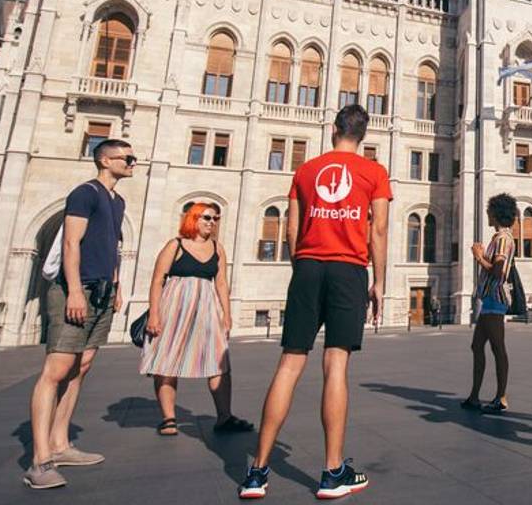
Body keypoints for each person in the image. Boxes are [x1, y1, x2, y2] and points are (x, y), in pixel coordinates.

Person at [239, 104, 389, 500]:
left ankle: (257, 472)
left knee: (289, 363)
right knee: (335, 364)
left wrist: (302, 266)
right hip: (348, 271)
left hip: (307, 267)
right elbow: (378, 230)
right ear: (363, 135)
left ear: (334, 129)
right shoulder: (374, 173)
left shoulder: (306, 170)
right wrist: (379, 282)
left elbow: (291, 228)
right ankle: (332, 472)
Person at [23, 139, 133, 490]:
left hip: (102, 291)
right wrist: (73, 289)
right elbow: (71, 243)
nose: (132, 163)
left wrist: (116, 285)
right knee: (56, 369)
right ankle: (39, 461)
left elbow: (112, 246)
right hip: (77, 288)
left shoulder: (117, 201)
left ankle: (60, 443)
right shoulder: (85, 193)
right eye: (127, 158)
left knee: (80, 366)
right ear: (105, 160)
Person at [140, 201, 253, 436]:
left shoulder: (217, 248)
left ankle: (224, 417)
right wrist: (154, 314)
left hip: (207, 308)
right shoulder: (175, 245)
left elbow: (221, 283)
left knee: (218, 359)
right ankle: (169, 419)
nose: (212, 222)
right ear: (193, 219)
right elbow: (158, 280)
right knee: (166, 359)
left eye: (215, 218)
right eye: (207, 217)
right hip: (174, 307)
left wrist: (227, 315)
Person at [461, 194, 518, 414]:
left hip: (495, 299)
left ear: (496, 213)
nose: (487, 214)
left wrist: (478, 257)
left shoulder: (503, 238)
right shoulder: (499, 237)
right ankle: (474, 396)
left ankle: (501, 397)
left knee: (497, 347)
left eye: (489, 210)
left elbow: (498, 271)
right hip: (489, 300)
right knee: (477, 346)